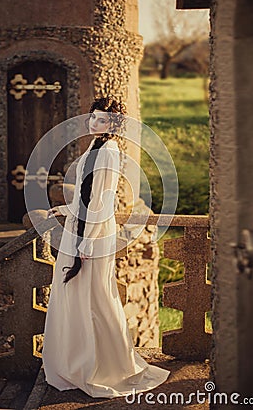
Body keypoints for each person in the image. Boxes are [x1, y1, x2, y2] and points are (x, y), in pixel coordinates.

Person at [42, 96, 170, 398]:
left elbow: (102, 202)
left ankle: (102, 366)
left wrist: (87, 243)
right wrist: (65, 210)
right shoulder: (94, 147)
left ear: (113, 125)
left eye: (102, 120)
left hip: (94, 234)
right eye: (92, 117)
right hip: (80, 228)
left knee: (96, 296)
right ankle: (73, 363)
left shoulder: (110, 152)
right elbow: (86, 194)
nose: (94, 123)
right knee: (73, 293)